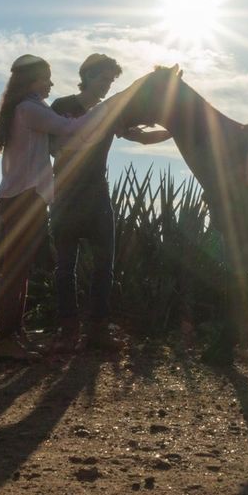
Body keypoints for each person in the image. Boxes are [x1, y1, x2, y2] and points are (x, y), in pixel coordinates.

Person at [49, 54, 171, 352]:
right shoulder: (62, 106)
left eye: (111, 81)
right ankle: (68, 332)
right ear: (87, 76)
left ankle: (97, 331)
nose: (107, 85)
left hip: (98, 193)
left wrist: (175, 131)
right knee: (65, 267)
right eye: (103, 79)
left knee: (105, 266)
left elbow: (141, 138)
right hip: (65, 194)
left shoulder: (112, 113)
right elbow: (51, 146)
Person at [0, 55, 100, 362]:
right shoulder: (29, 109)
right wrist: (105, 110)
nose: (51, 83)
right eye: (46, 78)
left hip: (25, 197)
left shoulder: (25, 108)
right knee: (15, 271)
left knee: (20, 270)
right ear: (32, 80)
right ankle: (5, 339)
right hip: (24, 198)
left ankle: (14, 334)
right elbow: (69, 128)